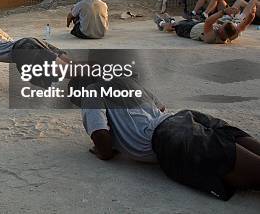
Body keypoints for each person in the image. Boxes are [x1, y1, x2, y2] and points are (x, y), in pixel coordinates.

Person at [75, 77, 260, 200]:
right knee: (238, 142)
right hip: (184, 117)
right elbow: (161, 108)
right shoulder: (126, 81)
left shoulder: (90, 92)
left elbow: (103, 144)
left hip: (170, 135)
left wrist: (99, 147)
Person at [154, 0, 256, 44]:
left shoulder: (211, 38)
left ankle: (161, 23)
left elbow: (208, 22)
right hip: (198, 24)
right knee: (185, 20)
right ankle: (169, 19)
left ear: (221, 32)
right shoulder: (232, 33)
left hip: (189, 30)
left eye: (221, 26)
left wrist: (224, 11)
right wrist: (251, 15)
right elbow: (243, 26)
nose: (219, 26)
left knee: (174, 26)